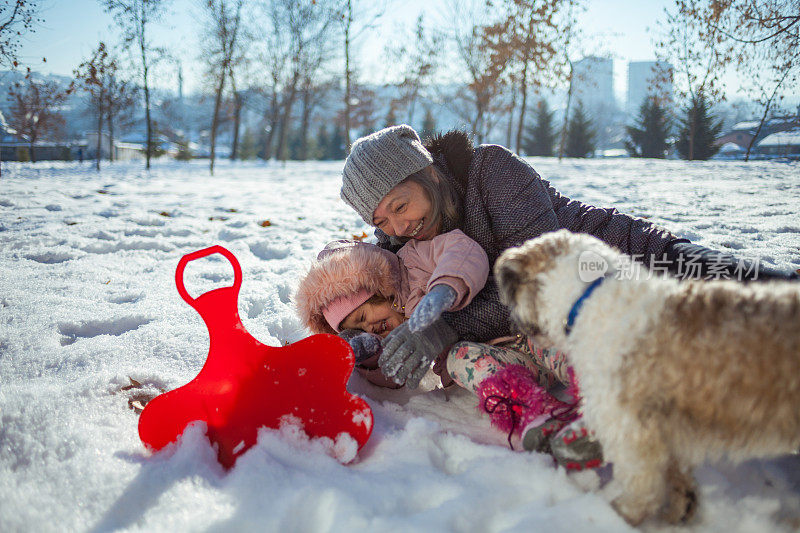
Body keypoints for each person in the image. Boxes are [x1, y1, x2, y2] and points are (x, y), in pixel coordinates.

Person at [338, 124, 799, 389]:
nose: (399, 228)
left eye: (400, 206)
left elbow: (538, 287)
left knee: (756, 290)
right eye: (382, 222)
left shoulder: (491, 169)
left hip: (624, 256)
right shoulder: (402, 247)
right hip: (596, 309)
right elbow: (362, 294)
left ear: (430, 175)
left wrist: (443, 327)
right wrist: (358, 344)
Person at [295, 235, 603, 469]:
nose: (369, 328)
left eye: (364, 317)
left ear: (381, 291)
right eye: (356, 328)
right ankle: (538, 417)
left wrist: (445, 288)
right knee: (458, 359)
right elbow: (396, 377)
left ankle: (604, 394)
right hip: (507, 360)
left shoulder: (413, 261)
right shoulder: (389, 334)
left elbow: (462, 251)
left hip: (523, 327)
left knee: (555, 341)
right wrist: (369, 355)